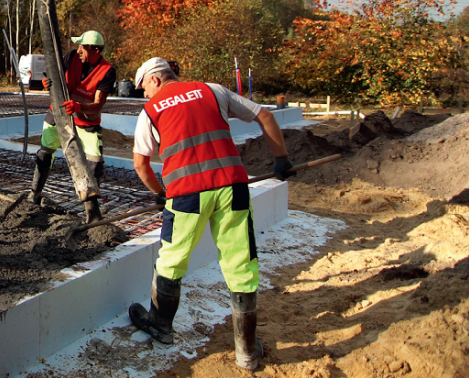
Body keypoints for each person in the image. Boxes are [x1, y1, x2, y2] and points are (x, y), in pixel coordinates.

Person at [127, 57, 294, 370]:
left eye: (144, 87)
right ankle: (246, 351)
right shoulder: (213, 90)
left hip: (186, 194)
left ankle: (161, 325)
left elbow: (140, 164)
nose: (145, 95)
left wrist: (160, 195)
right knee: (240, 263)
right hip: (232, 186)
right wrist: (281, 159)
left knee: (172, 258)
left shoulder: (151, 110)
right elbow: (265, 115)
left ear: (157, 80)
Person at [30, 30, 117, 207]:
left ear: (96, 50)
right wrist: (48, 82)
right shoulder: (71, 57)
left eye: (82, 48)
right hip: (58, 115)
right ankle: (34, 196)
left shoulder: (107, 71)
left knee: (95, 163)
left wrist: (79, 107)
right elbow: (53, 75)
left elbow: (98, 104)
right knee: (45, 153)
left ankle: (91, 209)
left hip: (86, 121)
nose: (78, 51)